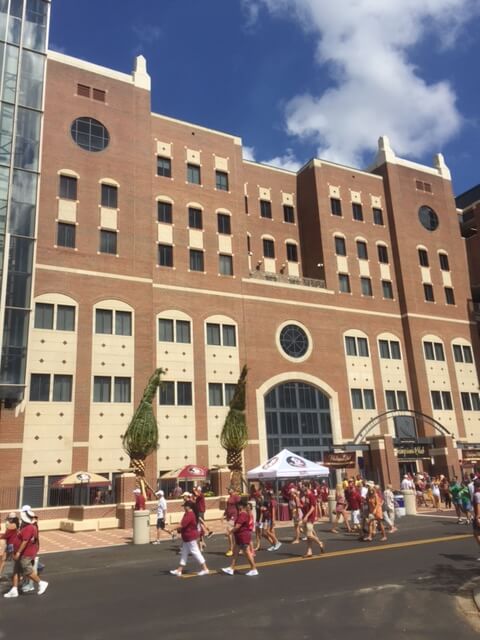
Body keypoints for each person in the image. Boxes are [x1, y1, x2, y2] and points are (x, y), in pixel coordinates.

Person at [4, 508, 48, 598]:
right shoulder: (24, 527)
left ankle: (41, 583)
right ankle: (14, 589)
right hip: (19, 552)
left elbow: (25, 541)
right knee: (16, 571)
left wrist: (18, 552)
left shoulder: (29, 528)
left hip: (25, 553)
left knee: (27, 571)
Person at [169, 501, 209, 577]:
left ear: (188, 507)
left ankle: (205, 569)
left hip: (191, 537)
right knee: (184, 553)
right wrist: (177, 530)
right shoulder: (187, 514)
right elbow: (183, 526)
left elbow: (182, 525)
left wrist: (172, 529)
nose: (184, 507)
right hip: (187, 538)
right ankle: (179, 570)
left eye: (185, 506)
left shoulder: (190, 515)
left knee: (196, 552)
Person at [222, 498, 258, 576]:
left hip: (243, 536)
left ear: (241, 506)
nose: (238, 507)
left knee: (247, 552)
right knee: (235, 552)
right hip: (239, 537)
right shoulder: (242, 514)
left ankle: (254, 568)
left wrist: (230, 532)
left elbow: (237, 526)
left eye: (238, 505)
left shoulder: (243, 514)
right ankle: (231, 568)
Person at [302, 482, 325, 558]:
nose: (302, 487)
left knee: (309, 534)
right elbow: (306, 506)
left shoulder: (311, 495)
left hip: (310, 518)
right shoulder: (305, 496)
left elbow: (313, 507)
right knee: (308, 536)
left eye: (303, 486)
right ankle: (309, 551)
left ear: (307, 487)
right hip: (306, 517)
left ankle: (320, 543)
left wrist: (306, 516)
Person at [223, 487, 240, 557]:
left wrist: (240, 515)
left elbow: (239, 506)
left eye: (229, 489)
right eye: (228, 490)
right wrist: (224, 515)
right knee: (233, 532)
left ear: (233, 490)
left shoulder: (236, 497)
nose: (228, 491)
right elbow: (227, 507)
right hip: (229, 516)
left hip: (234, 516)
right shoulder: (229, 497)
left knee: (229, 531)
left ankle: (231, 549)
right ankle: (237, 548)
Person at [472, 479, 480, 560]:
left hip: (479, 516)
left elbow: (478, 505)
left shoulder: (477, 494)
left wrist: (478, 516)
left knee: (476, 533)